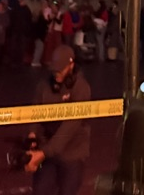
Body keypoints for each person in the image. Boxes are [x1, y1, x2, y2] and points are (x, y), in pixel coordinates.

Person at [25, 45, 90, 195]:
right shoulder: (44, 86)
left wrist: (43, 153)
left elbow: (70, 127)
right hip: (47, 149)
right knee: (40, 190)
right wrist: (32, 135)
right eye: (54, 70)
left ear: (71, 65)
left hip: (72, 153)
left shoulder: (81, 88)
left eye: (60, 70)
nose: (56, 74)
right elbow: (35, 110)